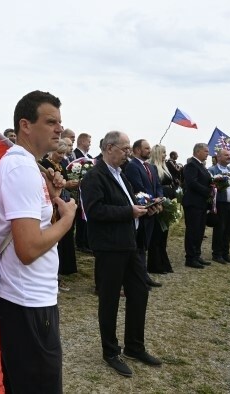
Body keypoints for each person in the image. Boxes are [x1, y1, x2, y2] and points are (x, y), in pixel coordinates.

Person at [0, 90, 76, 393]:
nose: (59, 129)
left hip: (28, 296)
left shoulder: (28, 166)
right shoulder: (21, 167)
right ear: (25, 125)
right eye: (51, 121)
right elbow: (28, 249)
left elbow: (33, 230)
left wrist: (53, 202)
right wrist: (67, 220)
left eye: (60, 123)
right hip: (26, 299)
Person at [81, 130, 161, 378]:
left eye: (129, 148)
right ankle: (111, 351)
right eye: (124, 148)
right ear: (108, 148)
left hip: (129, 244)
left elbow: (127, 205)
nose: (128, 152)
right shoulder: (94, 176)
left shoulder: (121, 175)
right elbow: (95, 211)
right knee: (110, 300)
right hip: (109, 248)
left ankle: (135, 346)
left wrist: (146, 209)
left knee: (139, 293)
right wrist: (129, 212)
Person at [39, 139, 78, 289]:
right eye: (59, 152)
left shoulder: (61, 165)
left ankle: (60, 272)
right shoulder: (45, 165)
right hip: (53, 206)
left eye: (63, 153)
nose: (62, 156)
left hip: (63, 203)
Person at [124, 139, 163, 287]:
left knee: (145, 245)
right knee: (138, 246)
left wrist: (159, 198)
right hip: (142, 209)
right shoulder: (132, 166)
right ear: (137, 150)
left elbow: (157, 185)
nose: (149, 151)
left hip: (152, 209)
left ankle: (143, 275)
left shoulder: (151, 167)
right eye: (146, 148)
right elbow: (138, 187)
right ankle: (139, 278)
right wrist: (152, 201)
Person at [182, 143, 212, 269]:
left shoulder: (201, 166)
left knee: (200, 231)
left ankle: (197, 255)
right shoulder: (191, 165)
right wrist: (208, 191)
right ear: (198, 151)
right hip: (193, 203)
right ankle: (190, 257)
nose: (207, 154)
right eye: (205, 151)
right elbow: (192, 182)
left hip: (201, 203)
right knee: (193, 231)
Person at [208, 149, 230, 264]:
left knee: (229, 229)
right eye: (226, 155)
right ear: (218, 157)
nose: (229, 157)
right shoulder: (212, 170)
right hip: (220, 204)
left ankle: (225, 253)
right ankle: (217, 254)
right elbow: (211, 187)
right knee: (220, 229)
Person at [147, 144, 175, 274]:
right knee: (157, 235)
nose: (165, 155)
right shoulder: (153, 167)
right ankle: (155, 265)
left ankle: (163, 263)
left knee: (163, 235)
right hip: (159, 204)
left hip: (167, 203)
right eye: (163, 153)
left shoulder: (165, 167)